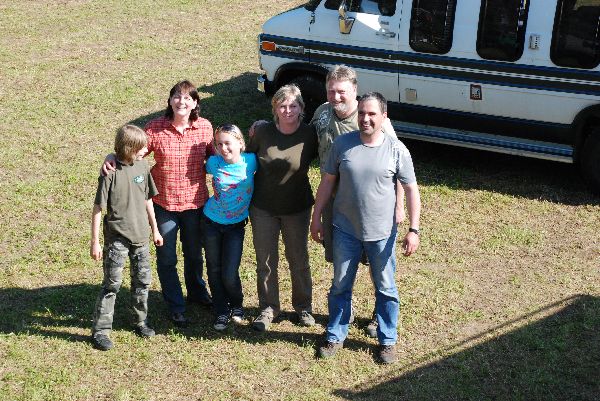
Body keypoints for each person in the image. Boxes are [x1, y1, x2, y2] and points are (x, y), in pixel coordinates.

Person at [310, 92, 421, 364]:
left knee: (386, 288)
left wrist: (414, 229)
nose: (366, 119)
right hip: (345, 230)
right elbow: (327, 183)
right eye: (362, 113)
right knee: (340, 285)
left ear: (384, 117)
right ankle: (335, 334)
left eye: (372, 114)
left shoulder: (397, 149)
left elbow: (411, 189)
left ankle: (387, 340)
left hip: (382, 234)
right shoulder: (342, 145)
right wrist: (316, 217)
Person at [102, 80, 213, 327]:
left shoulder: (205, 128)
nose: (181, 102)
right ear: (170, 100)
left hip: (196, 204)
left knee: (195, 255)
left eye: (187, 98)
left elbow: (218, 155)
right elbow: (133, 150)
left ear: (195, 103)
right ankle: (176, 304)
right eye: (176, 96)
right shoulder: (155, 128)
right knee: (167, 258)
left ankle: (197, 292)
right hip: (164, 204)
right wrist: (112, 155)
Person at [310, 65, 402, 338]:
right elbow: (303, 137)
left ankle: (378, 316)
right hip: (335, 205)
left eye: (341, 91)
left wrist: (399, 206)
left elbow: (395, 163)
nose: (335, 97)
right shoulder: (322, 113)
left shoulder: (372, 119)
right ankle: (343, 313)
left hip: (372, 206)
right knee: (341, 264)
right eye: (331, 91)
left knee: (377, 265)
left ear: (354, 91)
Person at [246, 84, 318, 331]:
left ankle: (304, 307)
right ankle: (268, 308)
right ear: (275, 108)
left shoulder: (310, 134)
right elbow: (243, 160)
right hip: (262, 207)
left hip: (297, 207)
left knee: (298, 259)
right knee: (265, 260)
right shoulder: (263, 132)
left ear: (301, 108)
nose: (288, 110)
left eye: (293, 106)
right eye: (282, 106)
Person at [90, 124, 164, 351]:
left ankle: (140, 321)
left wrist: (155, 230)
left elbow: (148, 200)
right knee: (112, 284)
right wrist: (95, 242)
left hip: (141, 237)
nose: (145, 150)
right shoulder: (109, 172)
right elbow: (97, 209)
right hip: (117, 240)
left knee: (142, 282)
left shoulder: (143, 166)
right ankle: (101, 331)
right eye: (141, 147)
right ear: (128, 147)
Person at [202, 124, 257, 331]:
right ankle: (221, 311)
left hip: (235, 227)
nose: (224, 148)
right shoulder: (214, 163)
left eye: (228, 143)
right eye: (219, 144)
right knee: (214, 269)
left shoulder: (251, 162)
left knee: (229, 272)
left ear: (240, 144)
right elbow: (193, 164)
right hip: (211, 223)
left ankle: (237, 305)